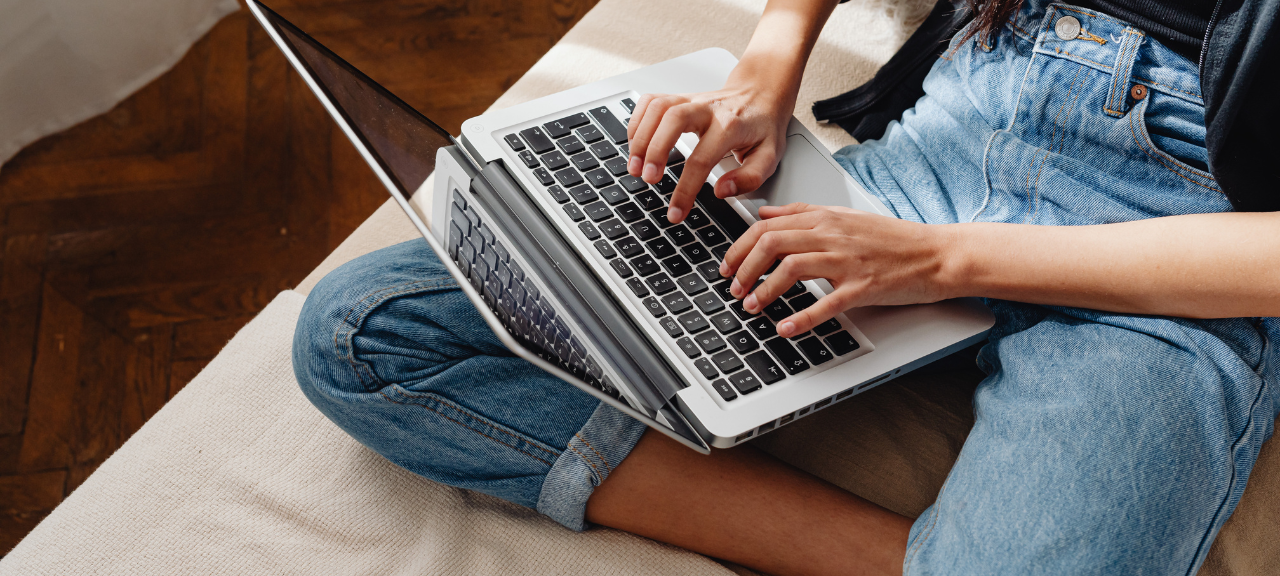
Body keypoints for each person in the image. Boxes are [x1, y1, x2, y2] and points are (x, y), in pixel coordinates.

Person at [292, 0, 1280, 573]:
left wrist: (938, 262)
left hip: (1183, 235)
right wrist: (763, 72)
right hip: (958, 125)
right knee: (363, 335)